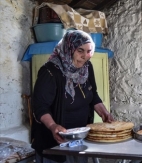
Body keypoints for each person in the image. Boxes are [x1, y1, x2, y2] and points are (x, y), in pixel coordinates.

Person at [31, 30, 114, 163]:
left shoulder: (86, 67)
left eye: (88, 51)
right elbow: (40, 107)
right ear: (68, 48)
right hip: (56, 143)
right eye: (80, 50)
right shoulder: (50, 72)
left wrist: (104, 113)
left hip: (79, 140)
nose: (85, 56)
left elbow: (93, 96)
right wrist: (53, 126)